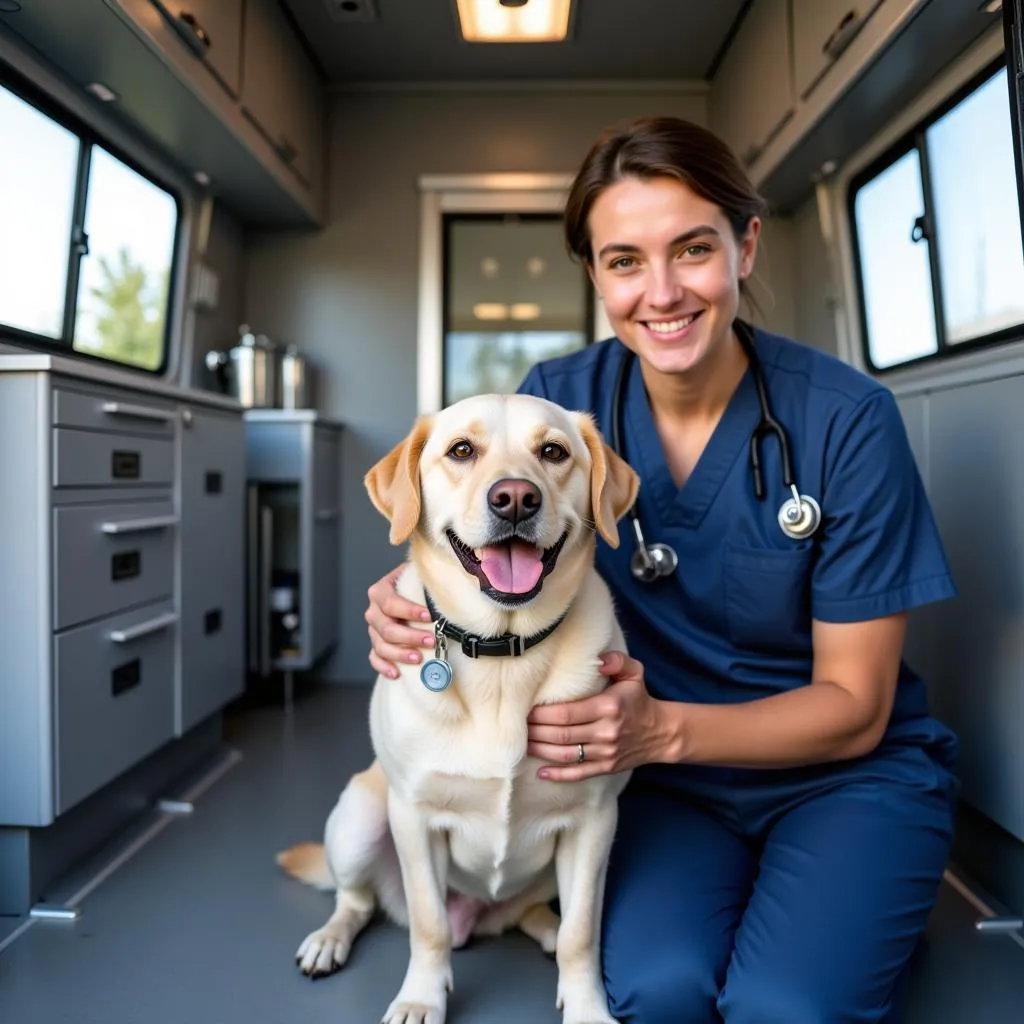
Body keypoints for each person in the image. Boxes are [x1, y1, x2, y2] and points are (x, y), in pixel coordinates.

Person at [365, 116, 959, 1023]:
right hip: (663, 791)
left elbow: (858, 706)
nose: (664, 291)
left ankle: (852, 901)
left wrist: (659, 733)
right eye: (624, 261)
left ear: (745, 245)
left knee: (787, 1008)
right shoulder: (557, 406)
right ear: (597, 275)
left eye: (693, 249)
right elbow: (471, 525)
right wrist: (407, 599)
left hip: (840, 773)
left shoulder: (848, 421)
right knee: (660, 992)